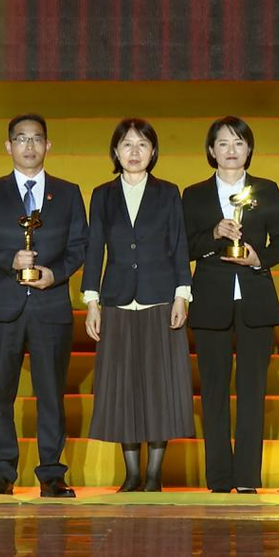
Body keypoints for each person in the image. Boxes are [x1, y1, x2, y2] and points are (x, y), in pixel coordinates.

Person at [0, 113, 87, 498]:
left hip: (51, 307)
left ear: (47, 145)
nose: (29, 146)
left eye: (36, 139)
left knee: (51, 394)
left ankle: (52, 474)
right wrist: (8, 260)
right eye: (21, 138)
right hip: (3, 309)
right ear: (8, 146)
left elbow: (80, 246)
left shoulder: (67, 193)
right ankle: (2, 473)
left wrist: (56, 274)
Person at [82, 118, 194, 493]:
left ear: (153, 152)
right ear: (115, 151)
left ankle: (154, 476)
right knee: (122, 389)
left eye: (142, 145)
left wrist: (182, 295)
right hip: (116, 301)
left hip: (160, 299)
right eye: (127, 144)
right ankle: (131, 475)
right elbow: (94, 250)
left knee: (160, 388)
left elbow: (179, 245)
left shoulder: (168, 193)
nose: (134, 152)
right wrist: (92, 301)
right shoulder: (102, 195)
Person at [182, 116, 279, 495]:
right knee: (212, 393)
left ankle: (246, 478)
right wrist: (214, 234)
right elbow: (183, 246)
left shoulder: (266, 189)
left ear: (249, 149)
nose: (231, 150)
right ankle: (218, 478)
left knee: (252, 392)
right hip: (210, 301)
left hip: (255, 301)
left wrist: (258, 259)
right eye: (223, 143)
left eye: (239, 143)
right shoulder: (194, 194)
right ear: (211, 151)